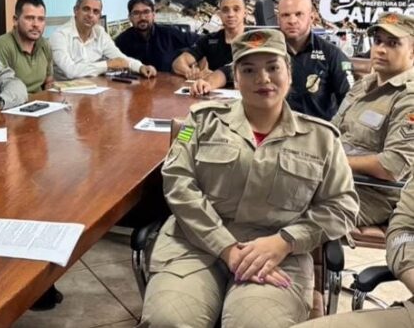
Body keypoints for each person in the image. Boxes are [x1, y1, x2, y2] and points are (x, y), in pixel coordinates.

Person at [138, 29, 358, 328]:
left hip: (275, 255)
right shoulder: (199, 122)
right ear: (236, 78)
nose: (263, 78)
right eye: (249, 70)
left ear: (289, 73)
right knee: (168, 321)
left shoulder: (322, 139)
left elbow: (341, 205)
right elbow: (178, 182)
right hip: (194, 245)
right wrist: (226, 247)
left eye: (273, 67)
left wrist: (285, 241)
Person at [190, 0, 352, 121]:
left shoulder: (332, 55)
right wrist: (207, 84)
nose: (292, 20)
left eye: (299, 14)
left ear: (312, 17)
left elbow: (350, 100)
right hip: (270, 130)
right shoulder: (264, 46)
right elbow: (228, 71)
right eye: (285, 15)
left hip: (313, 135)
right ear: (278, 18)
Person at [292, 176, 414, 328]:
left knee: (309, 207)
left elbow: (388, 169)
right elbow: (403, 230)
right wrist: (409, 268)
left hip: (373, 195)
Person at [331, 13, 414, 227]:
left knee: (291, 207)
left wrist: (334, 162)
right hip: (337, 180)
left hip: (373, 195)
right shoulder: (363, 85)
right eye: (378, 41)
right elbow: (333, 131)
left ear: (412, 51)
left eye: (393, 43)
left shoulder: (409, 98)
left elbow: (393, 166)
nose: (381, 49)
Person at [50, 0, 157, 80]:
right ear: (76, 10)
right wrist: (107, 65)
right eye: (86, 9)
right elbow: (70, 71)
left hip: (94, 88)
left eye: (95, 11)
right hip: (65, 92)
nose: (90, 15)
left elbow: (119, 58)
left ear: (99, 16)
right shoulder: (60, 35)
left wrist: (140, 67)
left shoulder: (100, 32)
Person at [114, 0, 200, 73]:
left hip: (168, 83)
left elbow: (202, 42)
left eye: (146, 12)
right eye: (136, 13)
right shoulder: (122, 41)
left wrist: (193, 61)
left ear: (153, 15)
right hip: (135, 84)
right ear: (130, 17)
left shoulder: (169, 33)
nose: (142, 17)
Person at [172, 0, 246, 79]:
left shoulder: (256, 39)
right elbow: (178, 63)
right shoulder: (209, 40)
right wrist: (190, 73)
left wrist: (217, 76)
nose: (230, 14)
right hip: (211, 86)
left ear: (245, 13)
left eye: (236, 9)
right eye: (225, 10)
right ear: (219, 14)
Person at [0, 0, 53, 93]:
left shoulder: (44, 44)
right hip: (14, 101)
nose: (36, 24)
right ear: (15, 20)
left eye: (41, 19)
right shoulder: (1, 46)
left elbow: (49, 81)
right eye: (29, 18)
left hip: (41, 100)